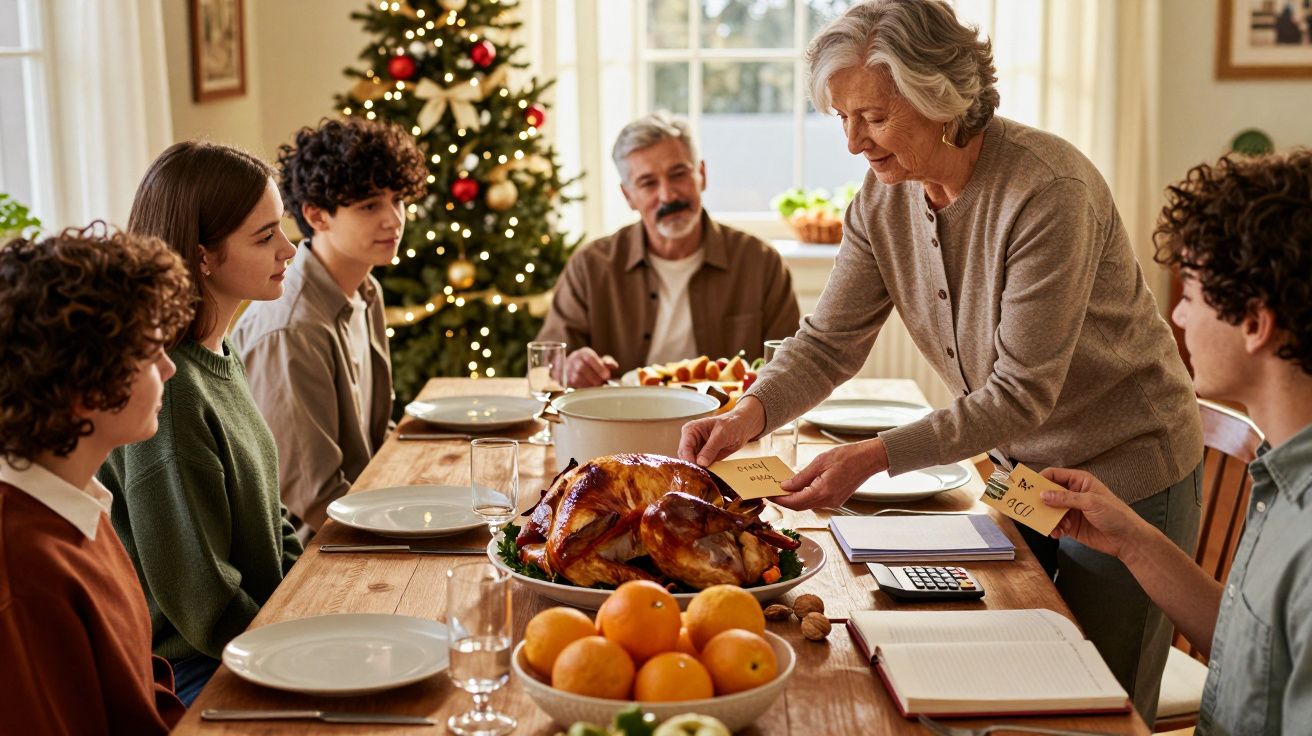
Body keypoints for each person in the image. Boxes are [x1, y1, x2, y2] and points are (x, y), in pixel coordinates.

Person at [678, 0, 1201, 721]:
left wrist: (876, 456)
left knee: (1093, 711)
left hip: (1126, 475)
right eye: (842, 119)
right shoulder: (885, 196)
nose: (856, 142)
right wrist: (747, 414)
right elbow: (829, 340)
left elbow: (1020, 394)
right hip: (1020, 477)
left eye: (875, 117)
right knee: (1011, 681)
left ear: (943, 99)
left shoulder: (1047, 191)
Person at [1041, 150, 1312, 735]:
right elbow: (1251, 648)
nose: (1178, 317)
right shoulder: (1283, 475)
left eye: (1190, 293)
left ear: (1254, 323)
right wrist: (1133, 540)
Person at [98, 142, 303, 706]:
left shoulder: (216, 352)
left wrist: (314, 599)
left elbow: (268, 515)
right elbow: (204, 604)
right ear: (203, 256)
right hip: (202, 669)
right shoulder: (172, 392)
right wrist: (306, 646)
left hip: (258, 632)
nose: (289, 248)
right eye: (265, 237)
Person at [0, 225, 191, 733]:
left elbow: (137, 685)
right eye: (150, 354)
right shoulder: (22, 569)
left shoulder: (77, 497)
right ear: (88, 385)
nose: (169, 369)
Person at [232, 119, 428, 538]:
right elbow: (318, 499)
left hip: (364, 515)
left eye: (398, 200)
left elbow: (372, 443)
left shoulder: (365, 289)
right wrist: (422, 523)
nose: (394, 220)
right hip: (317, 553)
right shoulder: (293, 329)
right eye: (370, 206)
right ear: (316, 215)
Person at [536, 111, 801, 388]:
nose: (668, 195)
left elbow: (789, 363)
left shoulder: (759, 262)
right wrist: (571, 364)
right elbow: (551, 355)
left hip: (729, 422)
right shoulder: (590, 266)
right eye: (648, 183)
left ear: (701, 175)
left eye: (678, 174)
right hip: (622, 419)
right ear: (628, 196)